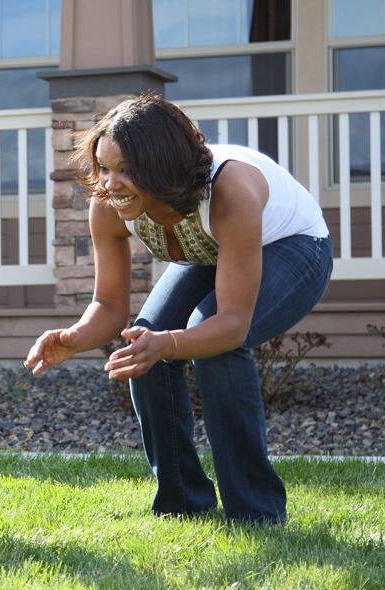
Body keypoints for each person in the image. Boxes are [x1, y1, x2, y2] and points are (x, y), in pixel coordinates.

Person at [24, 95, 333, 525]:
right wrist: (74, 337)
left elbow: (230, 325)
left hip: (294, 249)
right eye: (105, 167)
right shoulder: (109, 204)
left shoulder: (229, 191)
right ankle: (182, 503)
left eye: (126, 170)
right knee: (142, 342)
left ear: (161, 164)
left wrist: (171, 343)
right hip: (210, 254)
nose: (111, 183)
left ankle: (255, 512)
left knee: (214, 341)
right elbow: (110, 307)